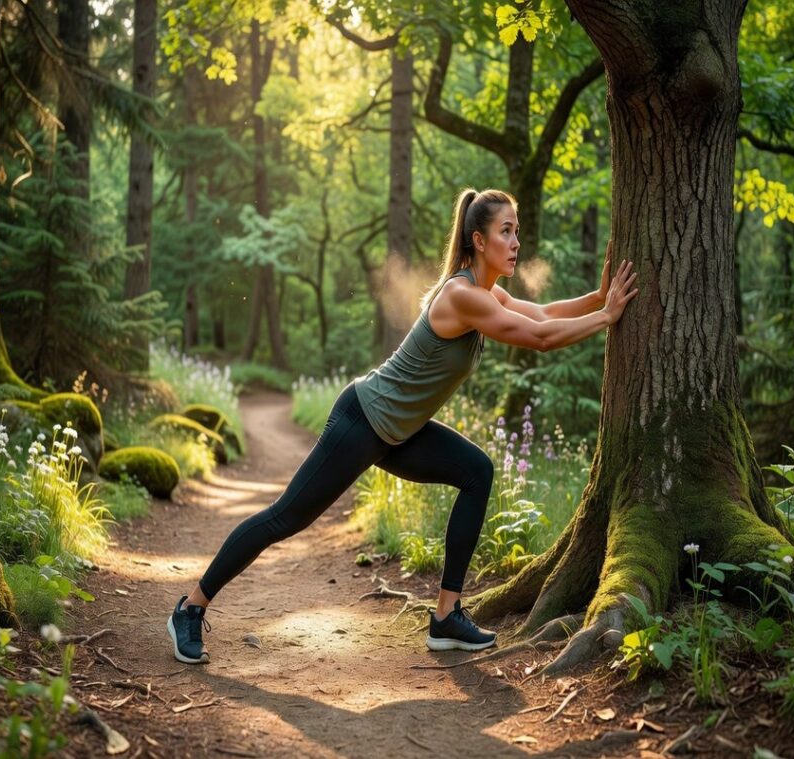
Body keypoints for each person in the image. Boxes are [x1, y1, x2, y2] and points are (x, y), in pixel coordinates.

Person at [167, 188, 638, 663]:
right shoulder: (461, 295)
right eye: (506, 231)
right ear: (478, 239)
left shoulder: (487, 292)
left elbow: (540, 314)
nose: (517, 242)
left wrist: (598, 298)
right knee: (285, 518)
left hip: (399, 433)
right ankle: (190, 608)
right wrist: (607, 316)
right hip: (363, 419)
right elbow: (538, 338)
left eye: (517, 231)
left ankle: (446, 617)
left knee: (477, 471)